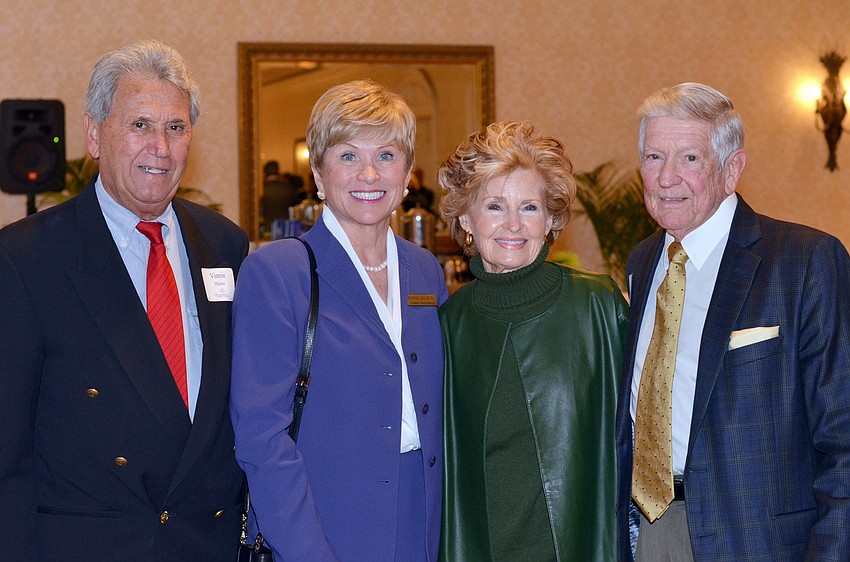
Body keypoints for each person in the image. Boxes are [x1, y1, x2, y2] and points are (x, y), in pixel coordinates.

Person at [0, 39, 249, 560]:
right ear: (94, 133)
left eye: (175, 127)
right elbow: (9, 453)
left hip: (206, 543)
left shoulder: (225, 244)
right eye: (139, 125)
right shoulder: (26, 258)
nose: (160, 146)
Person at [615, 82, 850, 561]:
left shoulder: (804, 261)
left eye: (690, 159)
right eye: (654, 157)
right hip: (654, 532)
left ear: (732, 169)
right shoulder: (642, 264)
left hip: (761, 540)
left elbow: (842, 438)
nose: (666, 178)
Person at [230, 79, 447, 561]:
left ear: (408, 172)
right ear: (319, 174)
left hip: (424, 526)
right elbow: (262, 439)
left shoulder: (425, 270)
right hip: (322, 526)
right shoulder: (278, 272)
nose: (369, 173)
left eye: (387, 156)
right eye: (348, 156)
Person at [438, 120, 628, 561]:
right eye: (494, 206)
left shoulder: (597, 306)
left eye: (528, 207)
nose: (512, 225)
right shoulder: (450, 324)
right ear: (466, 218)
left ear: (550, 219)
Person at [260, 160, 299, 237]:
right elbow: (296, 205)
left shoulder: (261, 190)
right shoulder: (287, 188)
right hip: (285, 230)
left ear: (265, 172)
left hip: (267, 230)